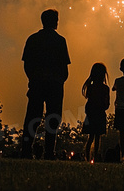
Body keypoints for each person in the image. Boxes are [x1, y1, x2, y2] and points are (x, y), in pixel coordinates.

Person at [20, 9, 71, 160]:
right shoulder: (60, 40)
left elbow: (27, 64)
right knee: (53, 118)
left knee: (32, 116)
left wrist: (33, 78)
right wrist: (60, 80)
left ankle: (26, 150)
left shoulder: (33, 39)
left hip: (37, 82)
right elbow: (64, 66)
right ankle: (49, 152)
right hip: (55, 84)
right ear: (55, 21)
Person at [82, 62, 109, 162]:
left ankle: (87, 157)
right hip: (100, 114)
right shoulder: (105, 88)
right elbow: (107, 104)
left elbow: (89, 101)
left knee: (90, 138)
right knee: (97, 138)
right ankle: (95, 157)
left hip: (91, 114)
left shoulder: (90, 87)